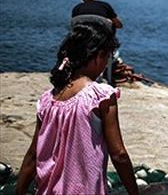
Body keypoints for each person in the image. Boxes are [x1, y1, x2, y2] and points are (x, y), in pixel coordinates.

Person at [14, 23, 138, 195]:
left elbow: (33, 155)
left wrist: (19, 191)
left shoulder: (47, 100)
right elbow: (119, 154)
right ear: (98, 56)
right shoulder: (100, 96)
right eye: (107, 58)